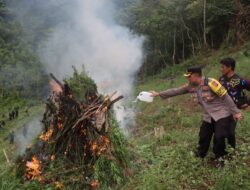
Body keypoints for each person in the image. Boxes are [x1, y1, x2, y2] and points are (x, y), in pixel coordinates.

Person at [150, 66, 242, 159]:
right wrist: (159, 94)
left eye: (189, 76)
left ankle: (221, 158)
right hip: (208, 116)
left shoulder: (211, 82)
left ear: (196, 75)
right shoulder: (190, 86)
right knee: (203, 136)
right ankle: (200, 155)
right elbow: (176, 91)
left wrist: (236, 112)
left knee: (219, 137)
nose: (187, 78)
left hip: (222, 113)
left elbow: (225, 96)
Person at [219, 58, 250, 148]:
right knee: (220, 132)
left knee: (229, 132)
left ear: (230, 67)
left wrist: (248, 102)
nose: (221, 69)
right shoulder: (221, 79)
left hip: (233, 110)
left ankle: (231, 152)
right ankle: (221, 152)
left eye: (223, 67)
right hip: (222, 109)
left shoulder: (238, 80)